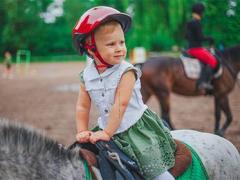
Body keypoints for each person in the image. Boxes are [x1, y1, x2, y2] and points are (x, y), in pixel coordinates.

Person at [73, 6, 176, 180]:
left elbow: (120, 105)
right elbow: (82, 106)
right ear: (91, 49)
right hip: (107, 126)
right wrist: (82, 130)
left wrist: (106, 134)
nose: (120, 48)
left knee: (156, 174)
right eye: (111, 44)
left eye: (122, 42)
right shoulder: (86, 75)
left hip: (135, 129)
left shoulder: (126, 72)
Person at [185, 2, 218, 91]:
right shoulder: (197, 23)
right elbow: (200, 38)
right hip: (196, 49)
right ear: (201, 12)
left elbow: (186, 36)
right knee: (213, 61)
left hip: (189, 49)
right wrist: (211, 38)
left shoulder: (189, 22)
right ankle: (203, 82)